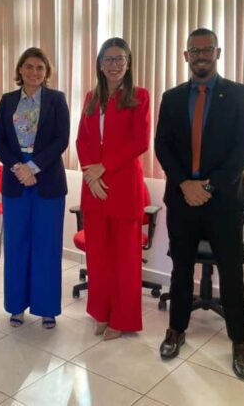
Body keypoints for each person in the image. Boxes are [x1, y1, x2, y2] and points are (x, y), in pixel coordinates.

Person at [155, 28, 244, 379]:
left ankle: (239, 343)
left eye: (207, 49)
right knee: (181, 269)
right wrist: (185, 184)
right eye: (195, 50)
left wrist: (209, 186)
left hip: (223, 201)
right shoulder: (171, 98)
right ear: (186, 56)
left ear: (217, 53)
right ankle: (176, 330)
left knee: (231, 272)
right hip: (183, 198)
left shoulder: (239, 94)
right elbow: (162, 146)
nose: (201, 55)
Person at [75, 37, 150, 340]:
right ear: (100, 64)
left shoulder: (140, 96)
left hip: (123, 187)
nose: (114, 64)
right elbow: (81, 140)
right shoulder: (91, 97)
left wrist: (103, 167)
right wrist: (91, 175)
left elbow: (140, 142)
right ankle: (102, 312)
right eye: (108, 59)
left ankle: (122, 318)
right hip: (94, 187)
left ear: (128, 63)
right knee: (99, 257)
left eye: (120, 59)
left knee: (125, 260)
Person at [0, 47, 69, 329]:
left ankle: (46, 308)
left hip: (47, 180)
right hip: (16, 179)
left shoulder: (56, 100)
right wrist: (18, 168)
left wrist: (33, 167)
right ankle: (16, 306)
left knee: (46, 245)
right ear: (20, 70)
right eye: (29, 66)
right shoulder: (8, 100)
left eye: (40, 67)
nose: (34, 72)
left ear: (46, 72)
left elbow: (62, 139)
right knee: (16, 244)